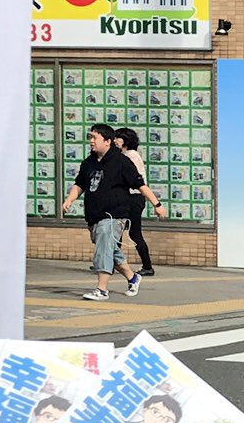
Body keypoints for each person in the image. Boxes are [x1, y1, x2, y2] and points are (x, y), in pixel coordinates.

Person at [63, 124, 168, 302]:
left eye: (94, 138)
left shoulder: (121, 162)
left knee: (103, 249)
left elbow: (140, 185)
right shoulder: (88, 162)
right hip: (94, 214)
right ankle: (132, 277)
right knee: (110, 250)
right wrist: (70, 199)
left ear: (107, 141)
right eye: (91, 137)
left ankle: (102, 289)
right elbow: (80, 184)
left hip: (114, 214)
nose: (91, 141)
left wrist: (157, 204)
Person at [114, 126, 156, 277]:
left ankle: (147, 266)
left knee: (134, 232)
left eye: (117, 138)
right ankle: (112, 262)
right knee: (117, 231)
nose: (114, 141)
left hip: (133, 198)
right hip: (132, 198)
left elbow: (132, 180)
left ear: (124, 140)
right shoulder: (127, 154)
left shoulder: (130, 156)